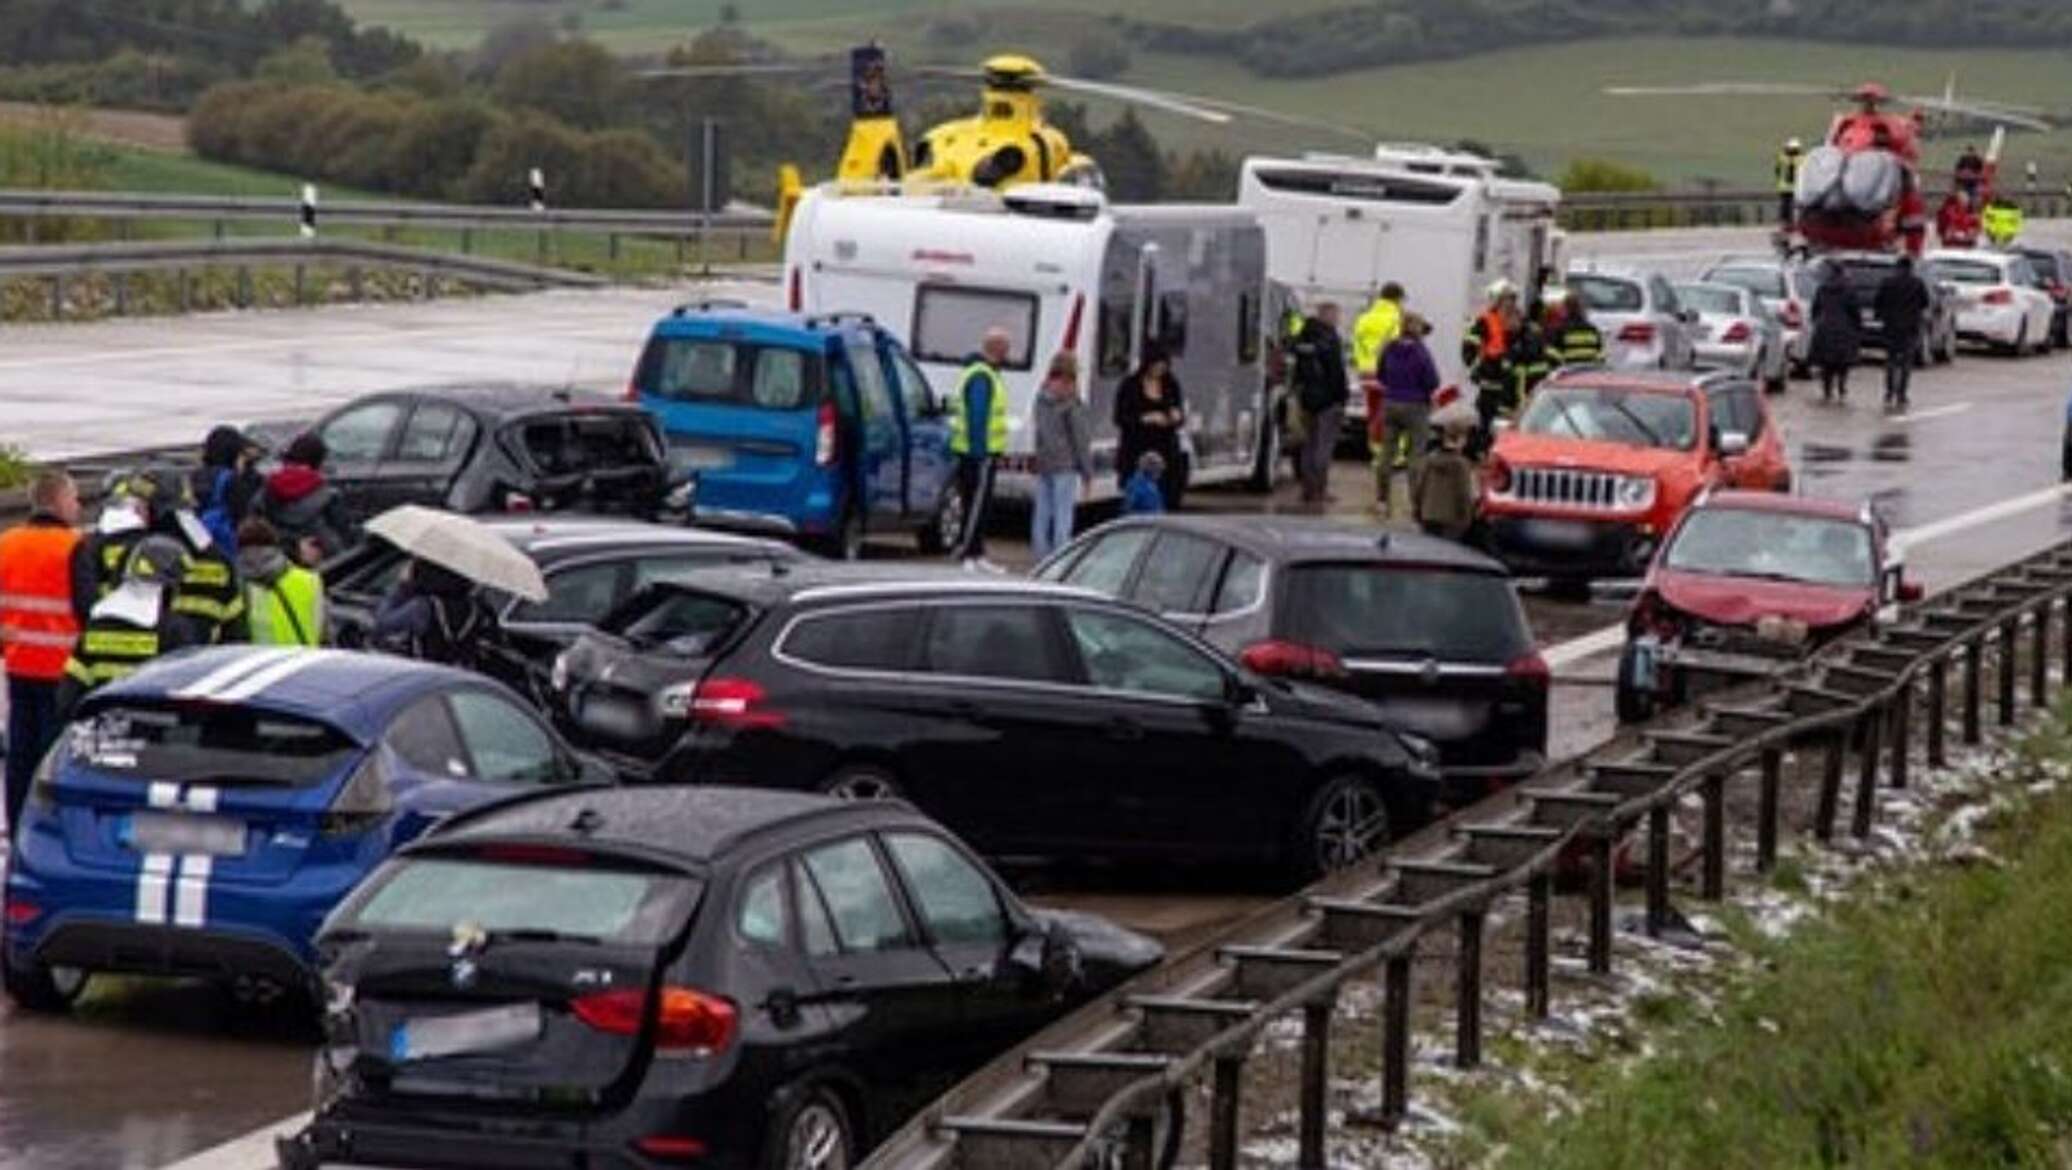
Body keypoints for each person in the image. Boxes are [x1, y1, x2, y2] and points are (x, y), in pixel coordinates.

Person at [72, 465, 244, 646]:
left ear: (154, 510)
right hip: (201, 668)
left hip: (149, 668)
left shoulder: (133, 558)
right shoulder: (218, 562)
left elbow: (103, 616)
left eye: (141, 506)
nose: (138, 512)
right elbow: (236, 632)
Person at [1, 470, 81, 839]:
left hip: (19, 664)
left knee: (19, 754)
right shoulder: (78, 547)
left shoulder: (8, 544)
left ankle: (18, 825)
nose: (78, 506)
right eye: (74, 499)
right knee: (56, 758)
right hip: (63, 670)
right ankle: (49, 831)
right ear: (59, 501)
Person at [56, 536, 198, 719]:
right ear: (168, 587)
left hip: (103, 733)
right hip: (150, 736)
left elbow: (67, 699)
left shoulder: (97, 625)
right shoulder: (175, 631)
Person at [948, 327, 1013, 571]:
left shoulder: (983, 373)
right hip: (978, 453)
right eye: (1006, 348)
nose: (1009, 354)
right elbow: (978, 416)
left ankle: (976, 552)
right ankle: (967, 552)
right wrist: (980, 451)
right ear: (998, 349)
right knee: (976, 503)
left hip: (977, 451)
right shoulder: (982, 376)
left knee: (979, 503)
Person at [372, 558, 495, 671]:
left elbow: (382, 623)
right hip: (459, 676)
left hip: (426, 674)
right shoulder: (474, 608)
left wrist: (402, 586)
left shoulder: (422, 606)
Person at [1375, 313, 1440, 517]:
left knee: (1386, 454)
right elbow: (1432, 380)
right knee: (1416, 456)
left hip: (1391, 402)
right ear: (1417, 329)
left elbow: (1380, 374)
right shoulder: (1420, 352)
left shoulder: (1390, 348)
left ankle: (1382, 499)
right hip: (1416, 406)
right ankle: (1415, 502)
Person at [1029, 351, 1093, 560]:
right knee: (1063, 515)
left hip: (1044, 461)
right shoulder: (1070, 400)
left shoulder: (1041, 396)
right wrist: (1087, 472)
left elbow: (1038, 430)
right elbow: (1080, 439)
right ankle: (1060, 558)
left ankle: (1040, 555)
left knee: (1042, 513)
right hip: (1066, 463)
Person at [256, 433, 358, 562]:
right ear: (319, 461)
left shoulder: (266, 489)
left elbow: (254, 526)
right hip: (324, 563)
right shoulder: (329, 495)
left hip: (276, 561)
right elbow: (345, 533)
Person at [1114, 342, 1188, 510]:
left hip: (1165, 454)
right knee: (1138, 502)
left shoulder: (1171, 384)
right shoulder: (1130, 385)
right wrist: (1144, 418)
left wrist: (1176, 416)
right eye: (1156, 365)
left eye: (1163, 366)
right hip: (1136, 451)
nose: (1160, 370)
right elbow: (1119, 418)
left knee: (1166, 499)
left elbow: (1179, 414)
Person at [1290, 303, 1349, 505]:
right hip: (1328, 400)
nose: (1338, 319)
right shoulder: (1330, 339)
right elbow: (1336, 372)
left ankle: (1307, 489)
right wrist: (1342, 398)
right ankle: (1320, 490)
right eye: (1336, 315)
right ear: (1328, 315)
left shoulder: (1303, 337)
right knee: (1324, 447)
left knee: (1308, 445)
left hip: (1306, 398)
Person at [237, 519, 326, 647]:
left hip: (264, 665)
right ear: (275, 545)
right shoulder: (311, 581)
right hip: (306, 663)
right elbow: (325, 635)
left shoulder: (239, 587)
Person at [1462, 283, 1521, 456]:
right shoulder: (1486, 320)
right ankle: (1479, 449)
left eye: (1512, 299)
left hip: (1511, 380)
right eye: (1506, 300)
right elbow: (1470, 343)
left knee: (1507, 418)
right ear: (1498, 301)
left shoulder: (1518, 320)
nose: (1510, 304)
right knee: (1485, 416)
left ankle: (1498, 449)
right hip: (1490, 377)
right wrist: (1474, 364)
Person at [189, 425, 263, 557]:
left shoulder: (193, 476)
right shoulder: (232, 480)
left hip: (197, 542)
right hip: (227, 547)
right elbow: (243, 516)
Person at [1412, 410, 1480, 542]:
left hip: (1429, 514)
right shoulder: (1461, 464)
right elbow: (1464, 494)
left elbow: (1419, 486)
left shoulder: (1430, 460)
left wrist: (1417, 510)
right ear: (1461, 439)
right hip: (1451, 519)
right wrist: (1467, 518)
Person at [1873, 255, 1930, 411]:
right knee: (1906, 362)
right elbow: (1925, 303)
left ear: (1897, 267)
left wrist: (1881, 316)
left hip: (1891, 327)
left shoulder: (1887, 282)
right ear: (1911, 268)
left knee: (1890, 360)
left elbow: (1878, 302)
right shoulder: (1917, 283)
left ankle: (1889, 392)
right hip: (1910, 327)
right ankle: (1902, 394)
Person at [1809, 262, 1861, 404]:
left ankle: (1827, 390)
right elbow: (1855, 311)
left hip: (1824, 327)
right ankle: (1842, 388)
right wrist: (1857, 326)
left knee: (1826, 363)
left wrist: (1817, 322)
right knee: (1843, 362)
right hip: (1844, 328)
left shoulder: (1822, 288)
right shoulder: (1849, 289)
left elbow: (1815, 309)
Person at [1551, 290, 1605, 365]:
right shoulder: (1592, 329)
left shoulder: (1561, 330)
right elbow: (1601, 353)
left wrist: (1562, 362)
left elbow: (1553, 353)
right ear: (1582, 309)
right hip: (1590, 371)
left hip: (1569, 370)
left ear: (1566, 308)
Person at [1122, 450, 1166, 515]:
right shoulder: (1136, 485)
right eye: (1158, 467)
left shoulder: (1152, 484)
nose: (1161, 469)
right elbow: (1129, 509)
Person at [1774, 138, 1803, 228]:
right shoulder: (1801, 159)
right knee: (1793, 206)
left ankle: (1784, 222)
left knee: (1784, 206)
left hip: (1784, 187)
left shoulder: (1781, 158)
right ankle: (1792, 222)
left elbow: (1777, 171)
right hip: (1796, 187)